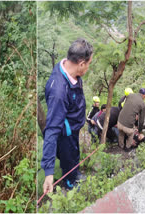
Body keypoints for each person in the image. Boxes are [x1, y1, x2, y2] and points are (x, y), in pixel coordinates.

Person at [41, 38, 93, 193]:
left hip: (74, 127)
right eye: (89, 64)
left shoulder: (70, 72)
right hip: (66, 132)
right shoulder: (59, 91)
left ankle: (75, 174)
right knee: (68, 158)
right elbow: (51, 129)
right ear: (82, 63)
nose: (88, 67)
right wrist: (49, 172)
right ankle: (70, 184)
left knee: (75, 154)